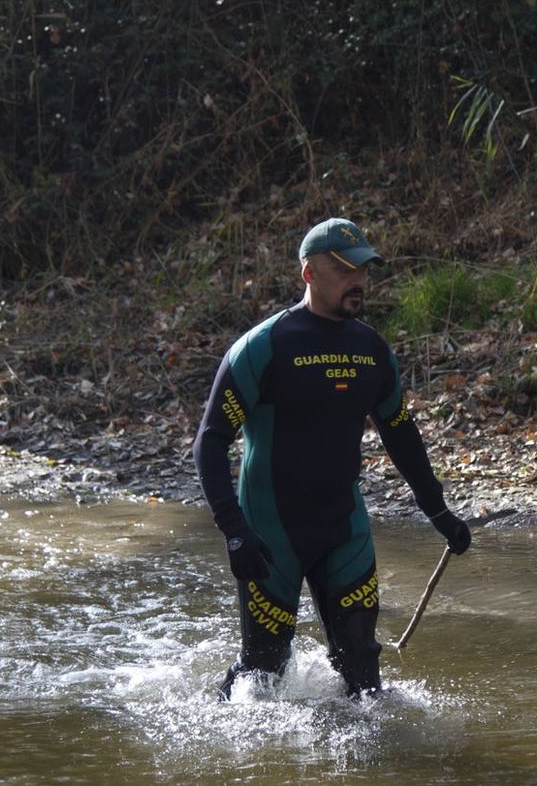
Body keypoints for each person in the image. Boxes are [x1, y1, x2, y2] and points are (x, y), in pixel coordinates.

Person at [192, 217, 472, 700]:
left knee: (363, 671)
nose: (358, 279)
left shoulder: (372, 350)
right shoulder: (265, 347)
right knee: (263, 670)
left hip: (344, 530)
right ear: (309, 274)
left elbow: (400, 431)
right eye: (344, 269)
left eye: (363, 268)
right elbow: (210, 441)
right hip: (270, 532)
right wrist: (235, 531)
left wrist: (439, 512)